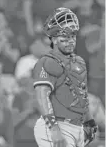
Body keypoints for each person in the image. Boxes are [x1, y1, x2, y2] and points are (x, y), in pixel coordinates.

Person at [32, 8, 98, 147]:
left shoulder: (79, 62)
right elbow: (42, 96)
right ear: (54, 40)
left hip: (77, 127)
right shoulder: (47, 62)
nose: (70, 42)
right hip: (56, 125)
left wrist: (89, 121)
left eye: (72, 37)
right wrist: (54, 129)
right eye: (65, 38)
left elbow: (81, 95)